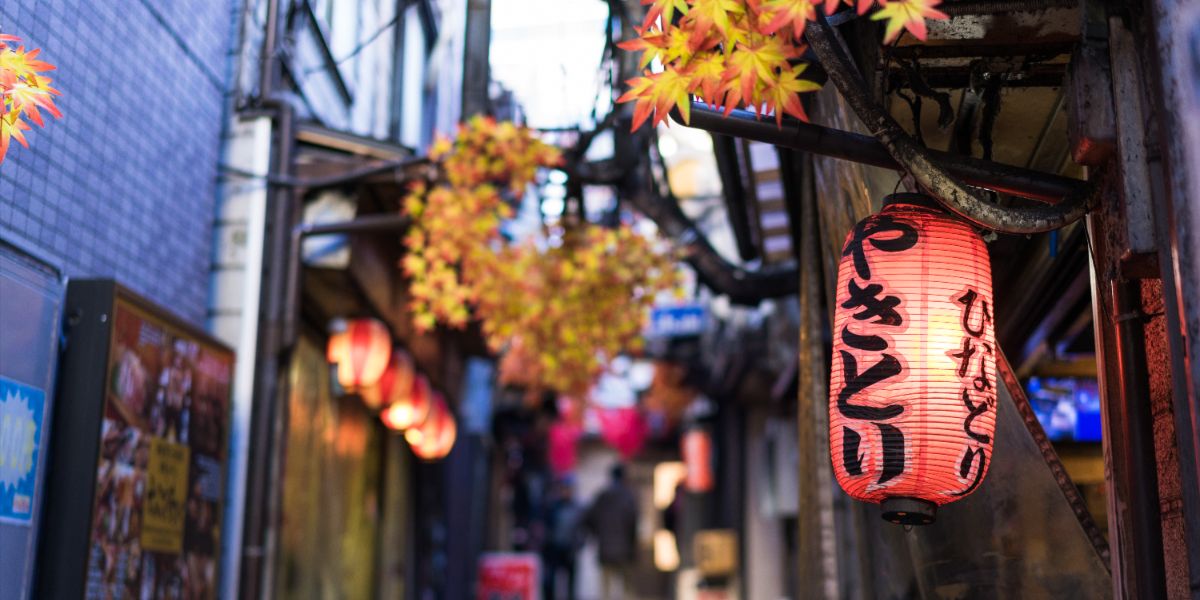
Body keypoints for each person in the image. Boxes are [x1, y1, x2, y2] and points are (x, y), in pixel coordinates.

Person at [584, 463, 639, 600]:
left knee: (605, 589)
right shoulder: (628, 496)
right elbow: (633, 523)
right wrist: (633, 545)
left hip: (605, 548)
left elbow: (587, 518)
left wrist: (597, 535)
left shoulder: (602, 496)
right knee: (627, 588)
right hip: (625, 549)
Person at [542, 477, 583, 599]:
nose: (566, 492)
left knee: (571, 583)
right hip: (554, 548)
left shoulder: (577, 508)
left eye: (569, 489)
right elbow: (546, 526)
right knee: (550, 581)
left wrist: (579, 544)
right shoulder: (553, 506)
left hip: (570, 549)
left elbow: (582, 529)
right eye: (564, 489)